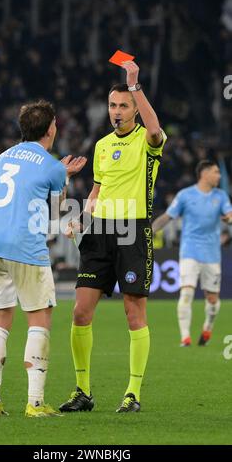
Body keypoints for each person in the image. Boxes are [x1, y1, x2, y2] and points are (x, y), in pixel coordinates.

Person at [59, 61, 167, 414]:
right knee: (79, 312)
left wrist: (134, 85)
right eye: (112, 105)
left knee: (134, 314)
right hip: (100, 232)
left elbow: (155, 128)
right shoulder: (103, 146)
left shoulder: (149, 140)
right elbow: (97, 190)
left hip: (133, 231)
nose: (116, 111)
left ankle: (133, 393)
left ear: (135, 108)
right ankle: (82, 391)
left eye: (123, 105)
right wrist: (81, 218)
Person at [0, 100, 87, 418]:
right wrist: (63, 177)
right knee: (39, 321)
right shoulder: (52, 164)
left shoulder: (2, 158)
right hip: (25, 247)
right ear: (51, 128)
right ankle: (36, 403)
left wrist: (55, 173)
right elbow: (56, 212)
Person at [152, 160, 232, 347]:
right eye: (215, 172)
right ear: (204, 174)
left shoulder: (220, 196)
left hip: (212, 254)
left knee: (212, 300)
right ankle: (185, 338)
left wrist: (228, 220)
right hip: (189, 251)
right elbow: (167, 217)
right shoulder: (185, 195)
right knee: (186, 292)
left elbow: (229, 215)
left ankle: (207, 328)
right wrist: (150, 230)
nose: (219, 176)